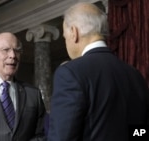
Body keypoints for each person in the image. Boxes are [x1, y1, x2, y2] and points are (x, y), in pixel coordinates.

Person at [48, 2, 149, 141]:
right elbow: (141, 132)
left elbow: (61, 137)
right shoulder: (136, 76)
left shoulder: (69, 73)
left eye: (65, 37)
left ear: (74, 32)